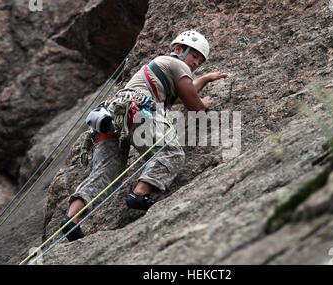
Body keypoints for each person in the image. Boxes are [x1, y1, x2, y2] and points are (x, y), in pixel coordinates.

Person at [60, 31, 229, 241]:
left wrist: (204, 79)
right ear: (178, 49)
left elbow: (176, 96)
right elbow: (193, 105)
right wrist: (203, 103)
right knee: (171, 153)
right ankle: (139, 194)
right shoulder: (177, 65)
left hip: (111, 115)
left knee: (106, 171)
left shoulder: (160, 68)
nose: (196, 63)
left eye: (200, 60)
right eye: (194, 55)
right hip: (138, 110)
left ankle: (71, 219)